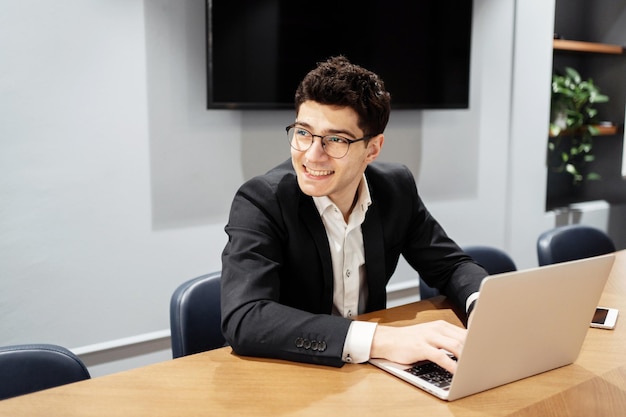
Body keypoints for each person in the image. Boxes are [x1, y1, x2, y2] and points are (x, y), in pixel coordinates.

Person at [221, 56, 487, 373]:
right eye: (303, 132)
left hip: (371, 374)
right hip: (294, 375)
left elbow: (451, 265)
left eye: (336, 140)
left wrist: (483, 306)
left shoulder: (395, 189)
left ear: (373, 149)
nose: (312, 155)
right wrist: (382, 340)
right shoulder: (261, 200)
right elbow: (246, 318)